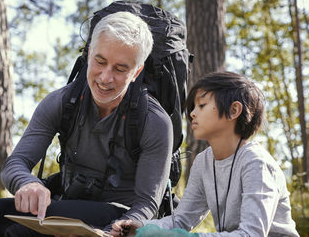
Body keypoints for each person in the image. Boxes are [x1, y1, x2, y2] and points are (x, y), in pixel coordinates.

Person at [0, 11, 173, 236]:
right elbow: (15, 163)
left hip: (117, 215)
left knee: (22, 231)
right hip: (65, 203)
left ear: (136, 72)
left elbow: (147, 204)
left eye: (120, 69)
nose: (105, 78)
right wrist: (28, 183)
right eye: (100, 61)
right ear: (88, 55)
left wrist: (111, 232)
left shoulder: (154, 121)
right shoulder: (62, 102)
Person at [111, 71, 299, 237]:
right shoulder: (203, 162)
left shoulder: (256, 163)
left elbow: (252, 234)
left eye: (201, 105)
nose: (192, 113)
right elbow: (181, 220)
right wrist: (141, 227)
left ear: (234, 110)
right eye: (193, 107)